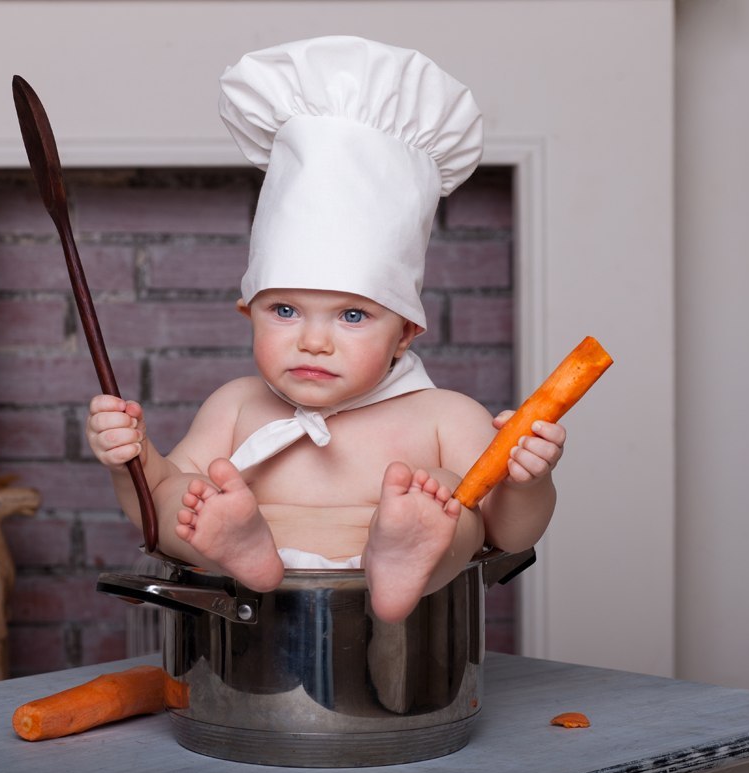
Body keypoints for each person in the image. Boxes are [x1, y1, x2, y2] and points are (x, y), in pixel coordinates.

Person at [87, 36, 565, 623]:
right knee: (178, 495)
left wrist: (526, 484)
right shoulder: (236, 406)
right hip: (246, 581)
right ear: (248, 312)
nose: (313, 341)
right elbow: (152, 506)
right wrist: (131, 461)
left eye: (352, 315)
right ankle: (238, 545)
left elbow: (508, 535)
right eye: (285, 311)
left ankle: (406, 550)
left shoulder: (444, 416)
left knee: (452, 500)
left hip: (387, 580)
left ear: (405, 333)